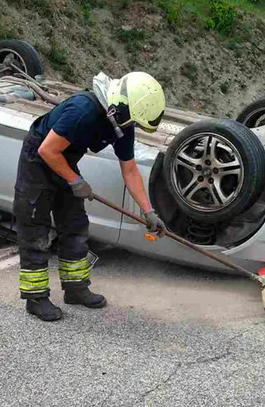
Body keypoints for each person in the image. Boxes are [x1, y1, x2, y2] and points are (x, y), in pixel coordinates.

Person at [13, 71, 167, 321]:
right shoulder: (82, 110)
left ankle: (75, 288)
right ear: (121, 107)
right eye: (133, 123)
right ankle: (36, 298)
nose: (132, 128)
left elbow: (129, 170)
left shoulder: (122, 123)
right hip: (38, 160)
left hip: (65, 160)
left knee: (74, 225)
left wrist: (148, 211)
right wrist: (75, 180)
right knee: (35, 229)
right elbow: (47, 150)